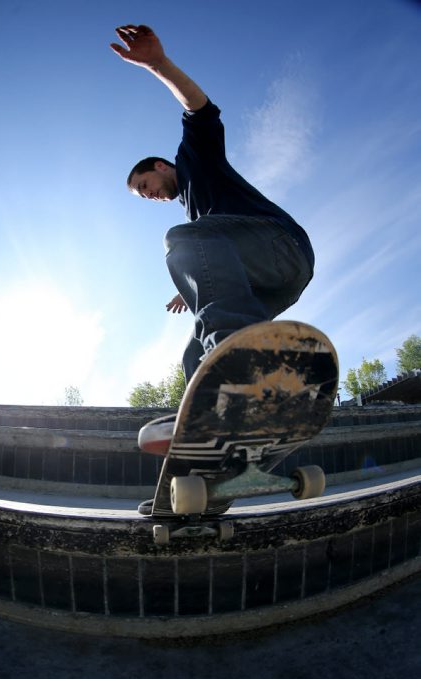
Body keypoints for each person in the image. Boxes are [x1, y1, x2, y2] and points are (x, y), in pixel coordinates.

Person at [111, 24, 315, 457]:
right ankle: (216, 441)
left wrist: (158, 64)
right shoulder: (197, 217)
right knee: (195, 353)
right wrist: (192, 285)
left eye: (146, 186)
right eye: (143, 197)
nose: (150, 196)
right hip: (274, 283)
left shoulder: (195, 161)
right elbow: (209, 249)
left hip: (283, 247)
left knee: (179, 239)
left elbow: (201, 109)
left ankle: (245, 379)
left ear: (162, 166)